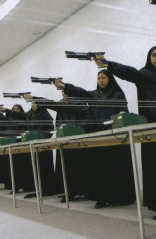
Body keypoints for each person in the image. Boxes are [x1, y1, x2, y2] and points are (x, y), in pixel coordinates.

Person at [94, 47, 156, 218]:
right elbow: (129, 72)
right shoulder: (144, 75)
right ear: (149, 58)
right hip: (153, 127)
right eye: (154, 55)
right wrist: (109, 64)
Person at [54, 70, 136, 208]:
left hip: (116, 137)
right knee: (101, 169)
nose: (101, 81)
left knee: (118, 167)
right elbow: (81, 92)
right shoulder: (94, 95)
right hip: (99, 137)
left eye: (103, 78)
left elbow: (123, 112)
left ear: (110, 79)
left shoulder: (118, 95)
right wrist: (65, 86)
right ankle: (102, 198)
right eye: (98, 78)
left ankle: (122, 197)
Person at [24, 91, 93, 202]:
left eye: (66, 91)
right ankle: (69, 191)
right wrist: (60, 131)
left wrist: (78, 127)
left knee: (79, 165)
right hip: (64, 139)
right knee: (66, 166)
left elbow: (88, 118)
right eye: (62, 91)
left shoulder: (80, 103)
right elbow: (58, 120)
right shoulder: (61, 104)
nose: (64, 94)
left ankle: (81, 191)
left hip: (78, 138)